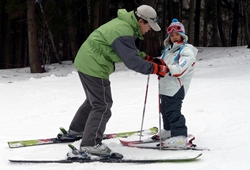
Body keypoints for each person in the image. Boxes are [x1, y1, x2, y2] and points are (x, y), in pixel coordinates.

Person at [63, 5, 168, 158]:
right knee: (103, 104)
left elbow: (127, 51)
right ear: (140, 21)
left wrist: (147, 58)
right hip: (94, 64)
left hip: (86, 61)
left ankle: (77, 130)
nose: (149, 30)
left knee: (94, 101)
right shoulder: (124, 30)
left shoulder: (124, 26)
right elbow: (131, 61)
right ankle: (90, 144)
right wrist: (156, 69)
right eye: (149, 26)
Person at [151, 18, 198, 148]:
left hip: (177, 87)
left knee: (173, 111)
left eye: (177, 34)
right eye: (172, 35)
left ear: (182, 35)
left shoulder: (186, 51)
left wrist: (165, 69)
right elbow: (162, 62)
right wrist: (154, 62)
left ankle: (179, 136)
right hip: (165, 87)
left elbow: (180, 68)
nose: (174, 37)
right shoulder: (168, 50)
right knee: (164, 110)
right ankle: (168, 130)